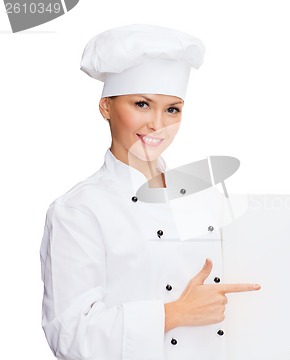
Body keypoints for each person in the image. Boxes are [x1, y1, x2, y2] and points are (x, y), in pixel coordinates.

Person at [40, 24, 260, 360]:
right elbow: (70, 336)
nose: (158, 124)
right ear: (106, 107)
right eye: (142, 104)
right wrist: (175, 314)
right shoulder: (79, 210)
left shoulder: (205, 199)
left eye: (172, 109)